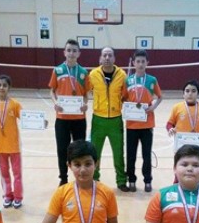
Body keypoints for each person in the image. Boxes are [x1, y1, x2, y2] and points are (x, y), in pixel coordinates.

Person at [49, 39, 90, 186]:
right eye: (69, 50)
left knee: (79, 150)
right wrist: (55, 103)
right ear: (64, 52)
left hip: (79, 119)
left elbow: (86, 94)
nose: (71, 53)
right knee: (62, 150)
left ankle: (80, 176)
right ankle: (63, 178)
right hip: (62, 119)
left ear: (79, 53)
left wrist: (85, 104)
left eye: (74, 50)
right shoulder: (57, 70)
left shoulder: (84, 73)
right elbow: (52, 91)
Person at [88, 47, 128, 191]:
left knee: (118, 153)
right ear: (100, 58)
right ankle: (94, 179)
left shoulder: (122, 75)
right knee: (95, 152)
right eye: (104, 55)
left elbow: (125, 95)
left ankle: (121, 181)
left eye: (110, 55)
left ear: (114, 58)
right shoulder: (93, 74)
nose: (107, 58)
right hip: (98, 119)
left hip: (116, 120)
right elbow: (87, 91)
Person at [124, 49, 162, 193]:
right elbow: (123, 98)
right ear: (133, 63)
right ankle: (131, 180)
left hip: (147, 124)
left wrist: (153, 107)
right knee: (131, 155)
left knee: (147, 155)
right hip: (132, 125)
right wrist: (127, 107)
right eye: (138, 61)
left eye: (143, 61)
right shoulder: (128, 80)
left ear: (147, 63)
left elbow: (160, 97)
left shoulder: (152, 80)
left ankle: (147, 180)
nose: (140, 64)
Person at [0, 74, 24, 209]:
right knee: (4, 173)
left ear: (9, 87)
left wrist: (40, 122)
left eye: (5, 85)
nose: (2, 88)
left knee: (17, 173)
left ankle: (18, 197)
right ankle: (8, 195)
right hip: (0, 146)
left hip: (14, 146)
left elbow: (26, 118)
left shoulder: (15, 104)